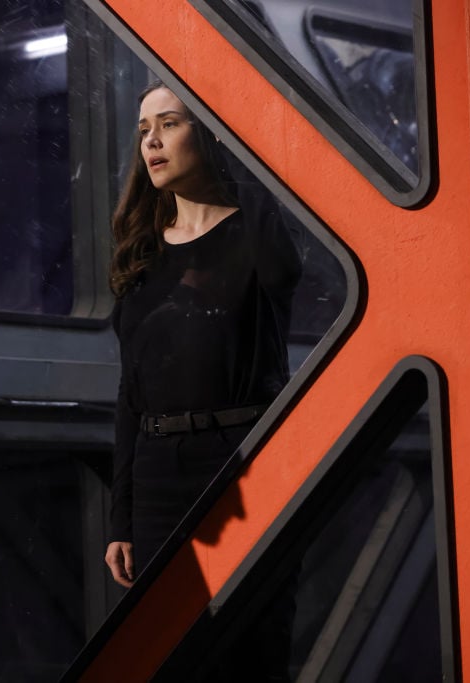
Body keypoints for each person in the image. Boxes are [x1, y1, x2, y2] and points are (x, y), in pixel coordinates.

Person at [103, 82, 301, 679]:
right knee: (168, 655)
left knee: (251, 652)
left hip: (241, 463)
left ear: (212, 131)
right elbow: (130, 393)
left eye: (170, 124)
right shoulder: (141, 249)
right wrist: (121, 519)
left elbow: (286, 272)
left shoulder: (256, 232)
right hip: (157, 474)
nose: (152, 142)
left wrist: (238, 136)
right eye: (144, 130)